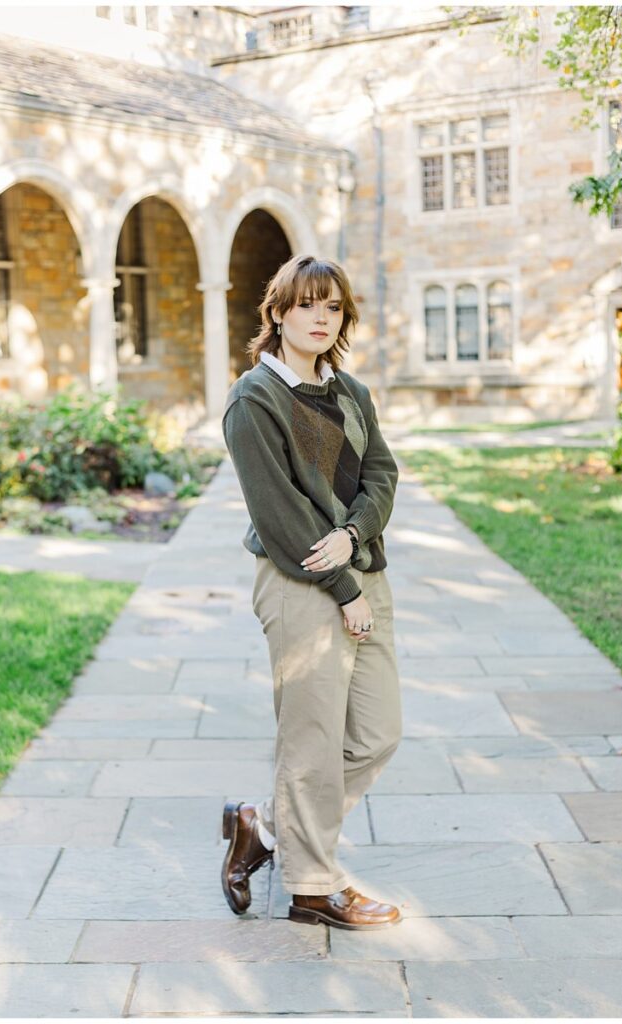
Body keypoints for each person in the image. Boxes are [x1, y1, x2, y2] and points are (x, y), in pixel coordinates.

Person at [220, 253, 402, 930]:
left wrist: (354, 538)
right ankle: (314, 889)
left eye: (333, 307)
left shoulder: (350, 393)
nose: (321, 318)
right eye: (306, 305)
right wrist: (340, 584)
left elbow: (382, 473)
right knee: (313, 741)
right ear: (278, 312)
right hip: (302, 585)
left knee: (378, 734)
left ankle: (263, 825)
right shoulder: (254, 399)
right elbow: (279, 513)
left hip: (360, 574)